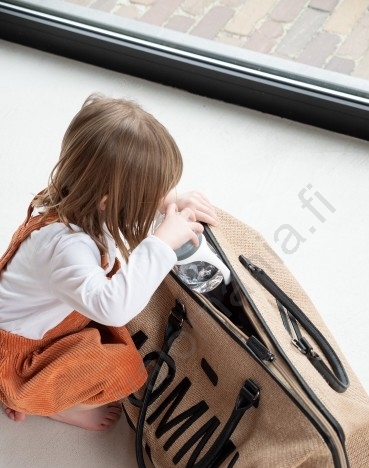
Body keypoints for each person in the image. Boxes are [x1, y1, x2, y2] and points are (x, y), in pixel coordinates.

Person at [0, 94, 218, 431]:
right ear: (108, 200)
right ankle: (42, 399)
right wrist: (161, 243)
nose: (160, 197)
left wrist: (169, 201)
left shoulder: (77, 199)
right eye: (152, 192)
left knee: (114, 322)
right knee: (124, 367)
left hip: (40, 321)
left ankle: (29, 390)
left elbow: (124, 202)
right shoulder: (67, 248)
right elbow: (113, 309)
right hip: (19, 356)